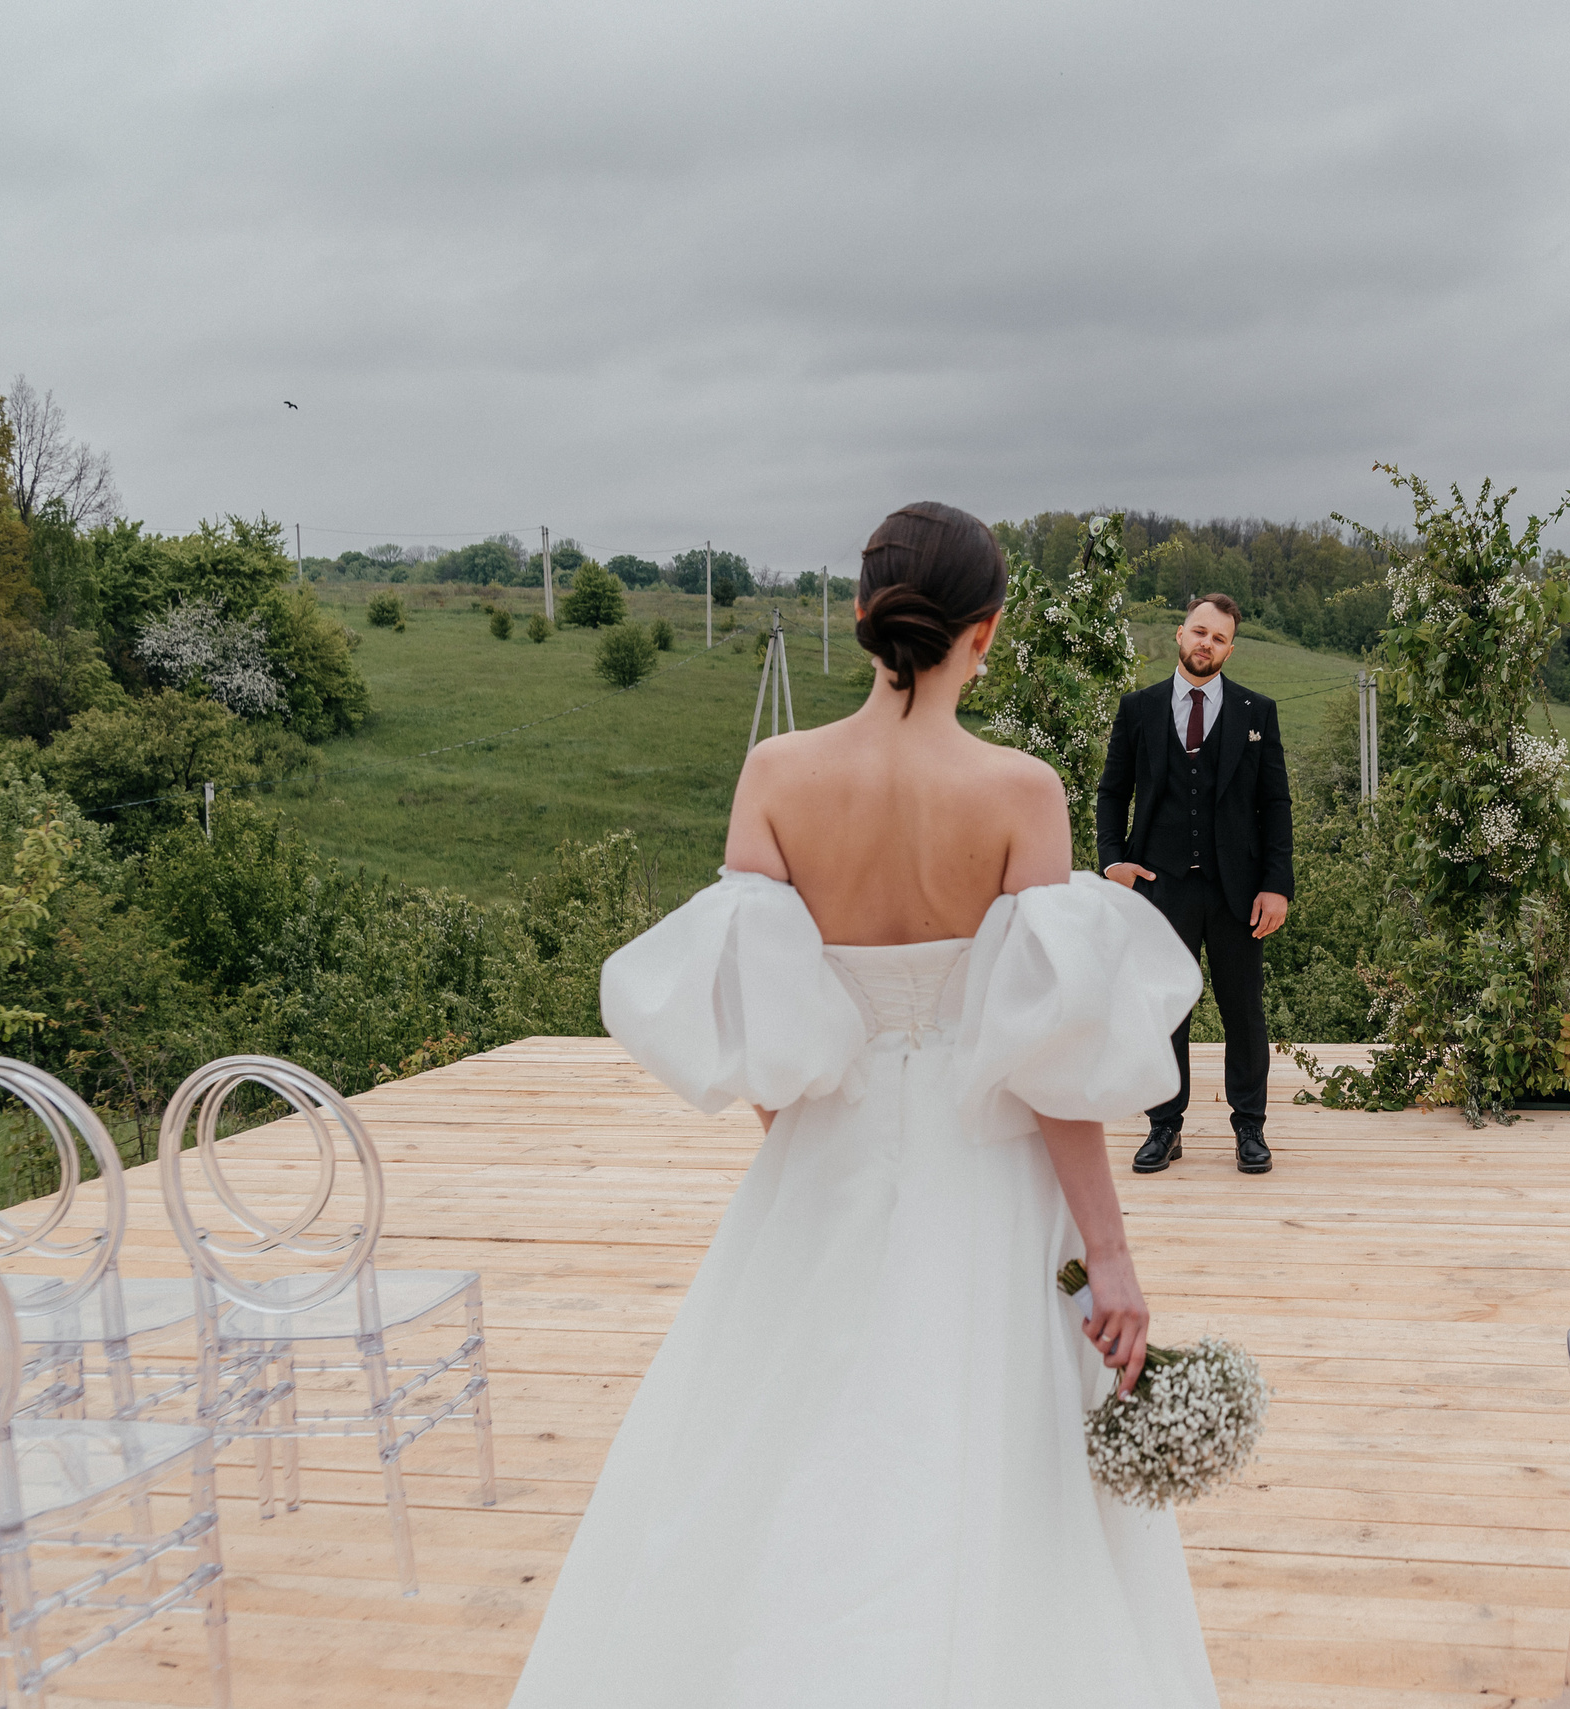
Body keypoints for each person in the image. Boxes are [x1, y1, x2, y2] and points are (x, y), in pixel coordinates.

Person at [507, 502, 1219, 1709]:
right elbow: (1045, 1064)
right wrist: (1108, 1252)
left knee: (783, 1444)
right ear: (986, 631)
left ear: (862, 615)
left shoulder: (777, 776)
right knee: (985, 1457)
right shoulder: (1021, 791)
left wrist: (821, 1158)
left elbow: (768, 1034)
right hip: (989, 1172)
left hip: (822, 1159)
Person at [1095, 592, 1295, 1177]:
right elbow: (1113, 792)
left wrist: (1276, 884)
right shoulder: (1138, 709)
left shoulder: (1258, 713)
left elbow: (1275, 805)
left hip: (1238, 889)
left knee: (1244, 1012)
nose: (1207, 643)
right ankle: (1164, 1126)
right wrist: (1113, 862)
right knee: (1163, 1010)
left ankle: (1250, 1128)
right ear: (1180, 635)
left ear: (1229, 648)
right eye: (1199, 632)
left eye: (1219, 637)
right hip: (1161, 887)